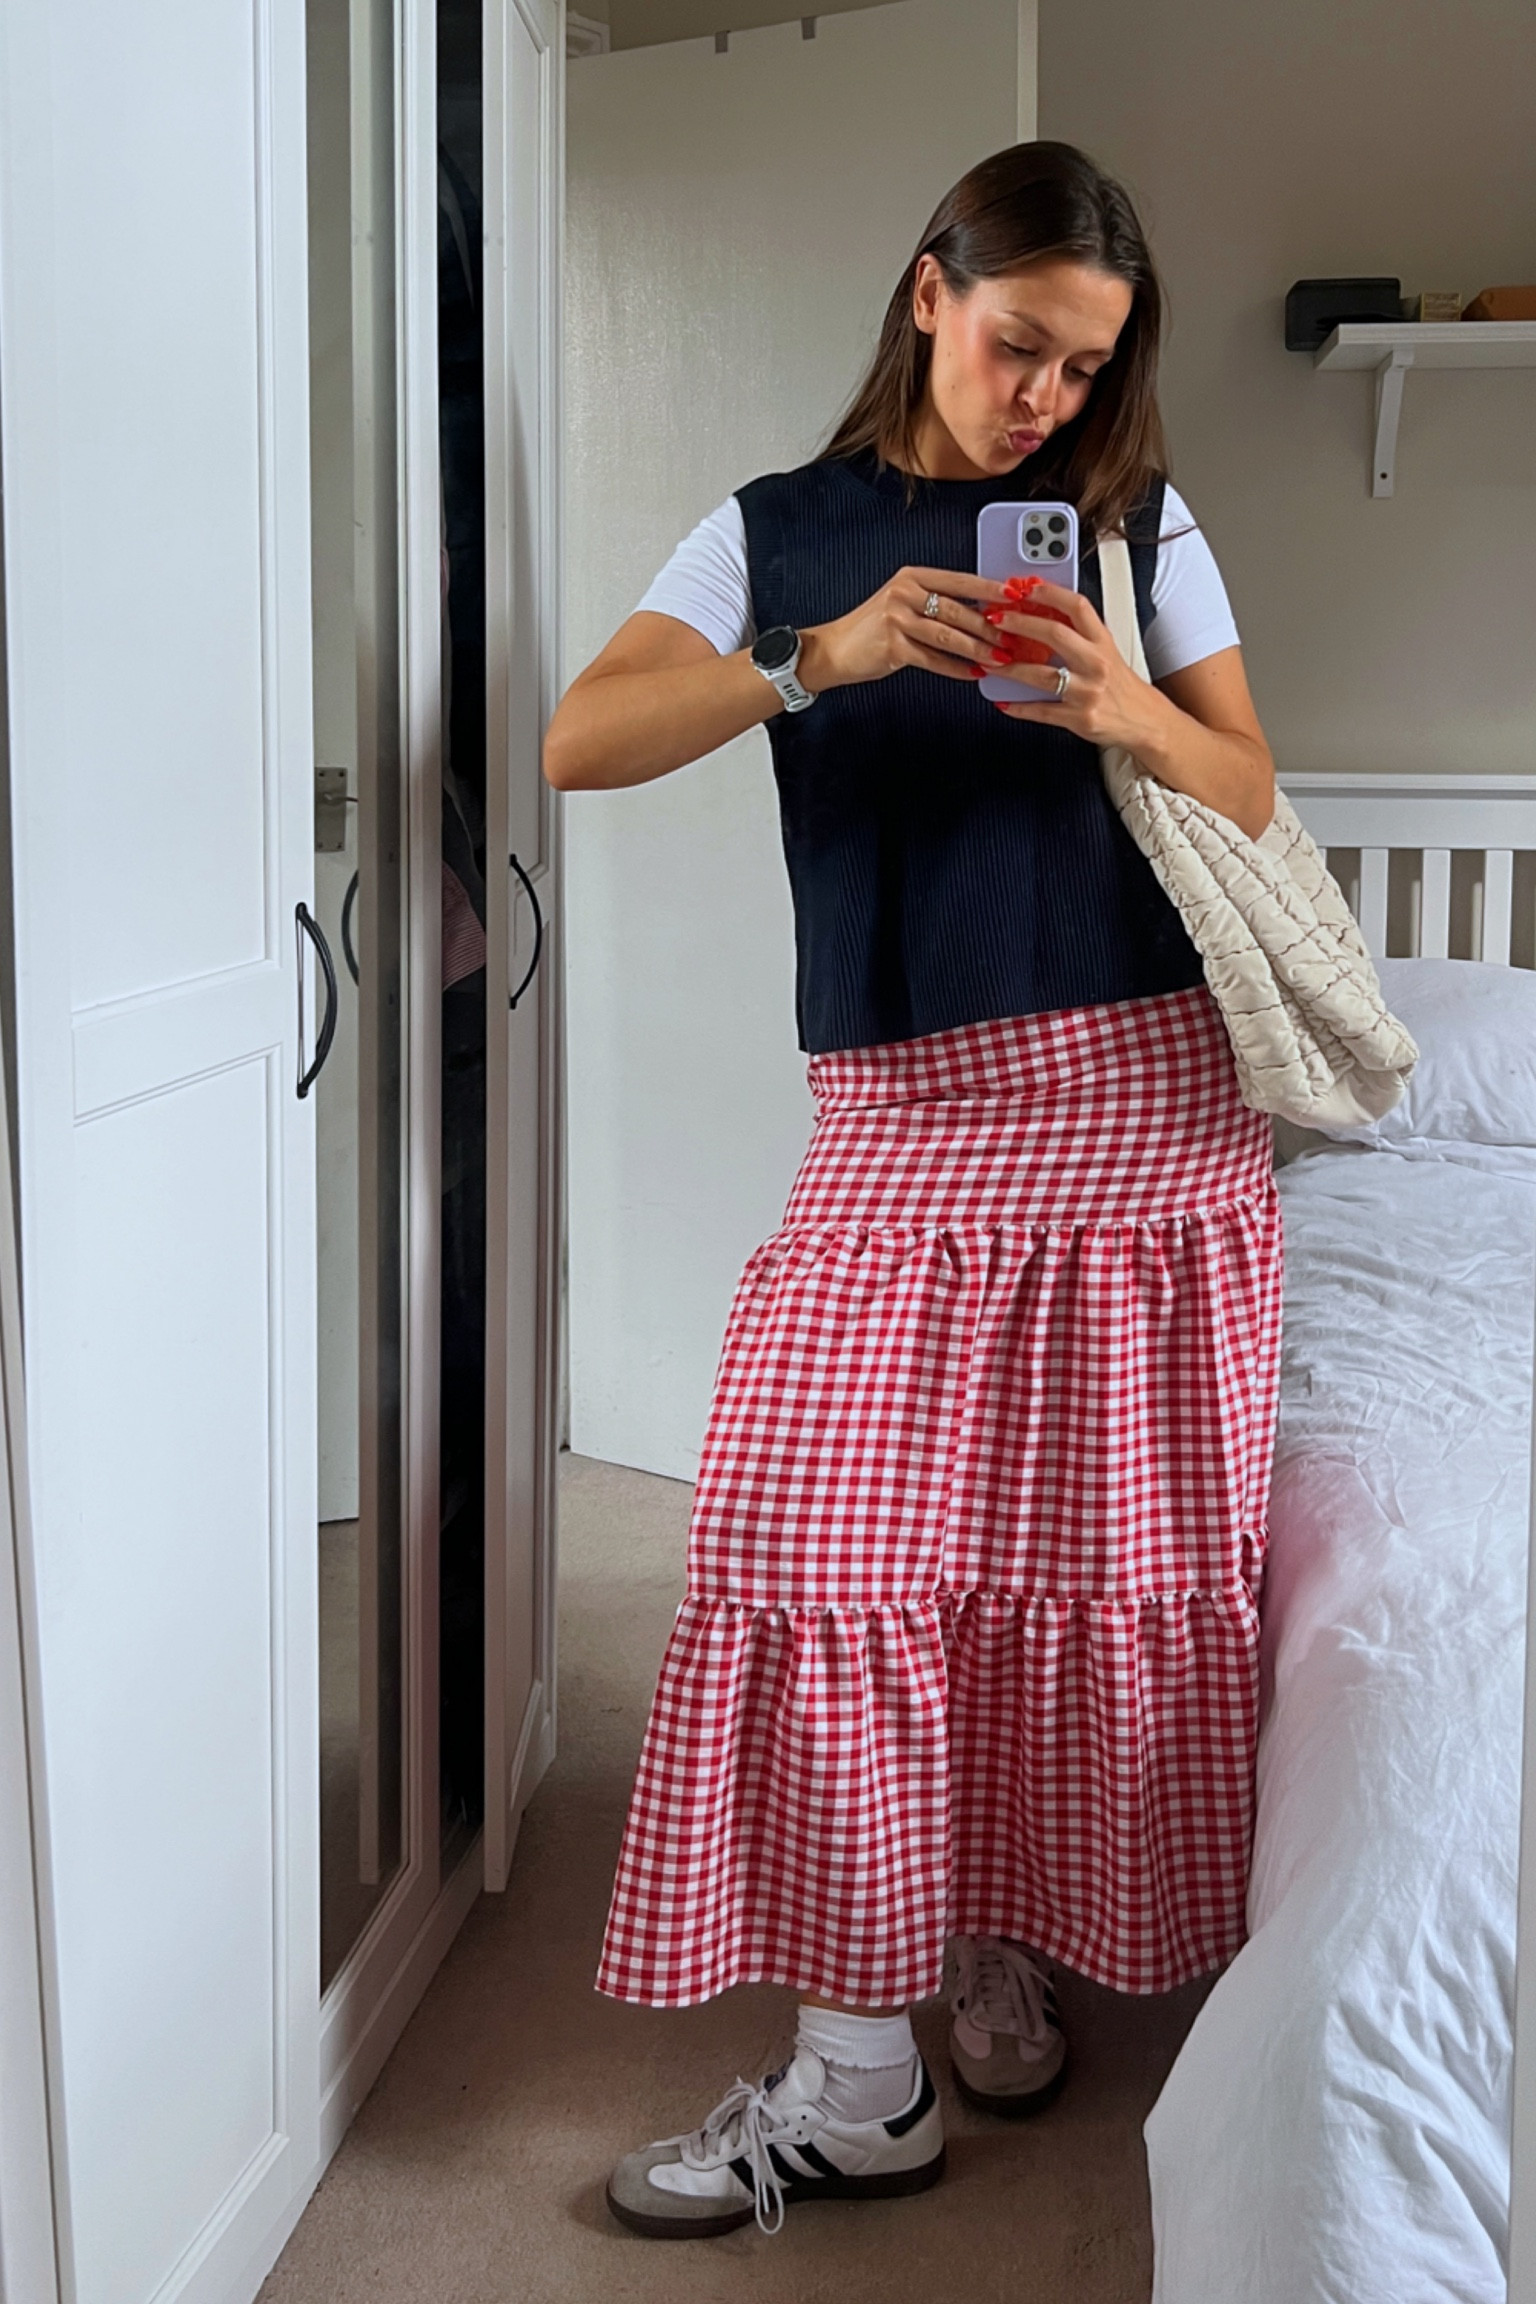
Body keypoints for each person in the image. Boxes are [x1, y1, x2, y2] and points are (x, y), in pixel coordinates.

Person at [543, 139, 1283, 2243]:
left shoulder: (1144, 525)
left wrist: (1115, 700)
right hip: (900, 1121)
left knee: (1051, 1569)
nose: (1046, 399)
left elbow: (1247, 781)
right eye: (1020, 345)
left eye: (1085, 369)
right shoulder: (778, 532)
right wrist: (827, 656)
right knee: (819, 1555)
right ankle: (862, 2079)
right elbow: (580, 741)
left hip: (1138, 1115)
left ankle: (982, 1942)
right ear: (929, 287)